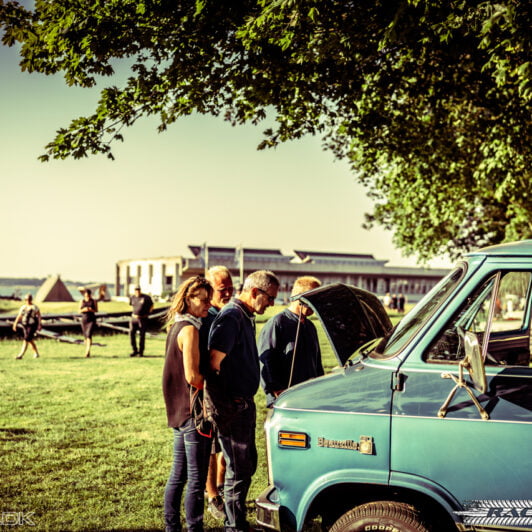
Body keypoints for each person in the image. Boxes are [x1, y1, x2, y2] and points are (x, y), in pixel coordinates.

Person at [208, 270, 280, 532]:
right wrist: (227, 405)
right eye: (270, 297)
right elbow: (212, 364)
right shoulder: (231, 316)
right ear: (254, 292)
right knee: (237, 470)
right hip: (233, 406)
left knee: (247, 464)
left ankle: (237, 521)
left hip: (244, 402)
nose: (272, 304)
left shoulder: (245, 315)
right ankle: (234, 526)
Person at [162, 276, 213, 532]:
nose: (208, 304)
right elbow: (192, 376)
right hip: (193, 415)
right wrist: (215, 382)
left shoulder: (176, 326)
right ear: (188, 299)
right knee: (195, 480)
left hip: (178, 413)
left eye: (209, 299)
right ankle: (194, 528)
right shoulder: (190, 330)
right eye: (202, 300)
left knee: (178, 477)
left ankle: (172, 527)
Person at [200, 266, 234, 520]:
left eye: (231, 287)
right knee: (211, 445)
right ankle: (212, 495)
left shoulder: (228, 314)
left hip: (229, 390)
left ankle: (221, 487)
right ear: (210, 289)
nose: (228, 292)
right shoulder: (205, 317)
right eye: (223, 289)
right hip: (210, 391)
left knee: (225, 442)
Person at [258, 276, 323, 407]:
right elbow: (266, 361)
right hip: (286, 399)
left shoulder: (310, 326)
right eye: (313, 299)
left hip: (309, 397)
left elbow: (317, 362)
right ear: (300, 298)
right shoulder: (277, 323)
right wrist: (277, 390)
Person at [12, 294, 42, 359]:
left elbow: (39, 316)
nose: (28, 301)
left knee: (26, 339)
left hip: (32, 325)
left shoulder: (34, 307)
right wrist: (15, 324)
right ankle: (36, 353)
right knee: (29, 339)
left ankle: (21, 355)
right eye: (26, 299)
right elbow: (19, 316)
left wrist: (39, 325)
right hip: (25, 325)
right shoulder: (23, 307)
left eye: (29, 299)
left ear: (31, 299)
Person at [129, 286, 153, 357]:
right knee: (131, 334)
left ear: (140, 290)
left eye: (138, 290)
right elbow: (131, 305)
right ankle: (134, 350)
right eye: (136, 290)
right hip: (134, 318)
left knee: (142, 335)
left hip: (142, 319)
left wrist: (147, 314)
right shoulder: (132, 297)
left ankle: (141, 352)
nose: (137, 291)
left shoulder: (146, 298)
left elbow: (152, 306)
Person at [79, 289, 98, 357]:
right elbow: (79, 310)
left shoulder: (94, 301)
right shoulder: (82, 301)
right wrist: (84, 309)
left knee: (89, 335)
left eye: (88, 296)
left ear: (90, 295)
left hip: (91, 319)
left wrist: (90, 309)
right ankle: (87, 349)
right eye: (86, 296)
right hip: (84, 319)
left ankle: (87, 351)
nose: (87, 297)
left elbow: (96, 310)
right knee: (85, 337)